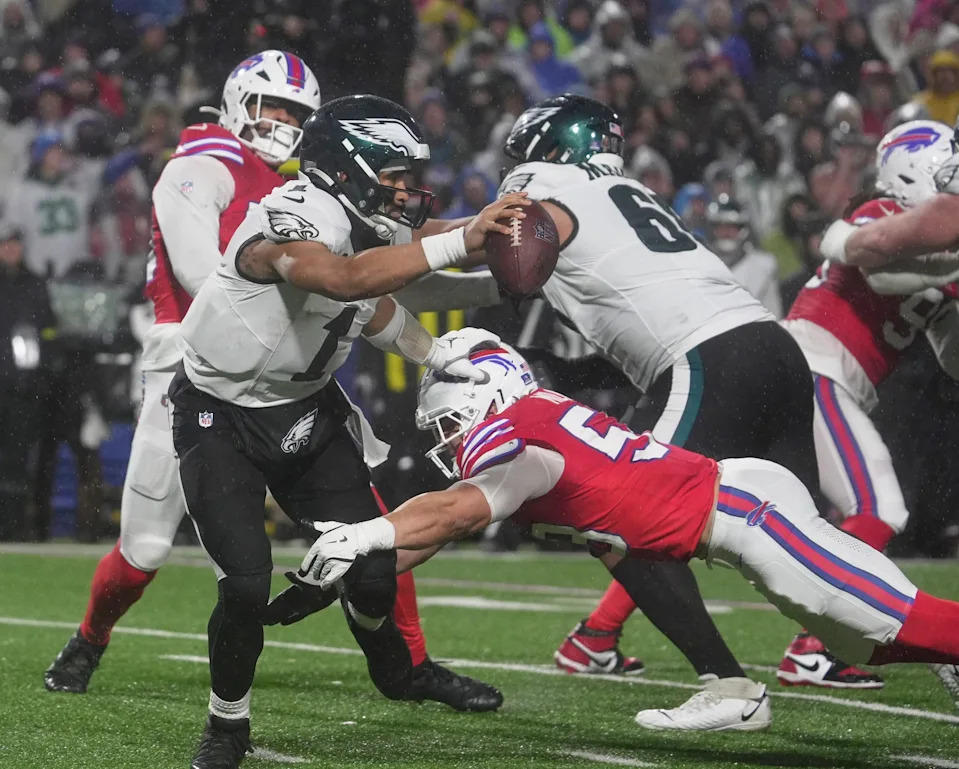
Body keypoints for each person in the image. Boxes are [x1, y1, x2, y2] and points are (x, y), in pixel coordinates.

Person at [43, 52, 500, 715]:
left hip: (290, 362)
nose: (282, 122)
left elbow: (394, 249)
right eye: (271, 106)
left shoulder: (309, 186)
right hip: (197, 363)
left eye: (294, 112)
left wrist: (490, 250)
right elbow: (209, 282)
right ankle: (90, 637)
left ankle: (410, 663)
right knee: (143, 548)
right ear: (235, 105)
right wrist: (337, 285)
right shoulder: (202, 166)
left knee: (368, 524)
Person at [300, 337, 959, 727]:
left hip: (752, 515)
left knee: (895, 620)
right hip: (738, 513)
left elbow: (456, 509)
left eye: (450, 421)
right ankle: (738, 690)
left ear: (485, 393)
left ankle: (739, 691)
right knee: (861, 641)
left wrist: (362, 535)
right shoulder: (532, 424)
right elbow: (442, 523)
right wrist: (359, 558)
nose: (447, 439)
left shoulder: (520, 438)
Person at [170, 94, 529, 769]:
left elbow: (388, 285)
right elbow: (342, 280)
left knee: (373, 563)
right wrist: (465, 241)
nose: (404, 190)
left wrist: (481, 276)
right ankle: (228, 722)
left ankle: (398, 673)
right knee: (245, 585)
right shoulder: (291, 214)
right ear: (345, 166)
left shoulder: (366, 219)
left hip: (305, 406)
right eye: (392, 174)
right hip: (221, 416)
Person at [493, 94, 838, 731]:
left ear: (550, 148)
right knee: (806, 546)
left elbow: (513, 270)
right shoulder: (623, 193)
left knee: (618, 519)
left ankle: (726, 683)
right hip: (771, 347)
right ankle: (937, 641)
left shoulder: (543, 185)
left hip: (706, 354)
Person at [781, 119, 959, 688]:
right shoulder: (881, 213)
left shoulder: (934, 248)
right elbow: (880, 264)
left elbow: (951, 356)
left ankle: (596, 634)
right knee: (881, 508)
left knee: (706, 499)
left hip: (813, 372)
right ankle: (812, 648)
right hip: (814, 366)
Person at [705, 194, 782, 318]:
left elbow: (773, 312)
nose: (726, 233)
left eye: (731, 227)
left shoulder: (763, 265)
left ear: (742, 229)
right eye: (721, 226)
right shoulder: (701, 264)